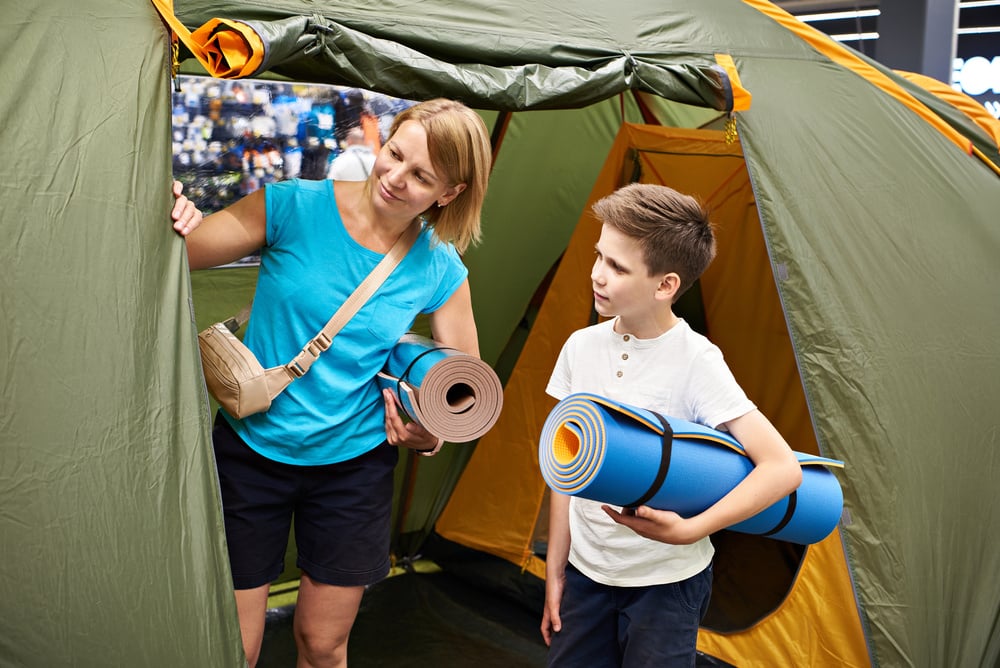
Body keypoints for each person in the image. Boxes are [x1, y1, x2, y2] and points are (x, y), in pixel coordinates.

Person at [170, 97, 493, 668]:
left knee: (323, 647)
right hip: (251, 455)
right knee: (231, 649)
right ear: (382, 141)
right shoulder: (292, 206)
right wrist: (174, 212)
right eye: (394, 155)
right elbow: (178, 253)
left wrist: (429, 436)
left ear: (449, 193)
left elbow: (461, 391)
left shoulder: (440, 267)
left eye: (421, 177)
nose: (394, 177)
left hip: (353, 470)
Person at [539, 183, 803, 667]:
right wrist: (556, 567)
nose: (597, 275)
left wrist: (690, 531)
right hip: (586, 575)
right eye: (599, 256)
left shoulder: (697, 361)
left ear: (665, 285)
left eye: (617, 267)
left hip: (666, 585)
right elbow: (565, 468)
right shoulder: (580, 348)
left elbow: (782, 468)